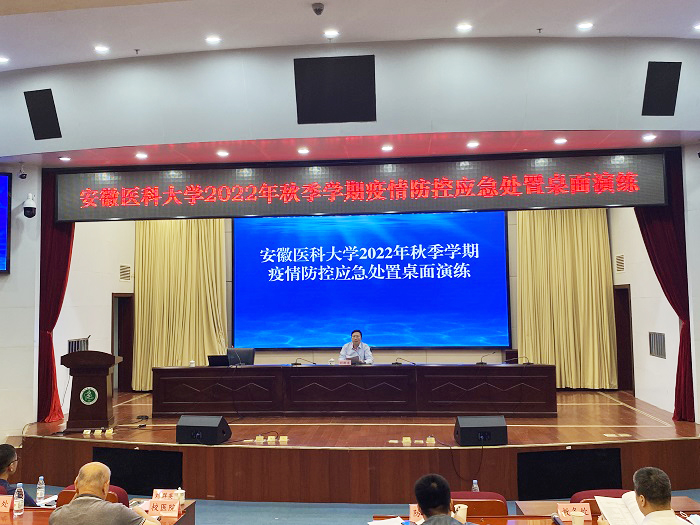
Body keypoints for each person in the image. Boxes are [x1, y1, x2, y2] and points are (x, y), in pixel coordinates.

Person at [49, 462, 159, 525]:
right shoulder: (117, 511)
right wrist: (141, 513)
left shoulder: (57, 516)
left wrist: (78, 490)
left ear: (76, 484)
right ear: (106, 486)